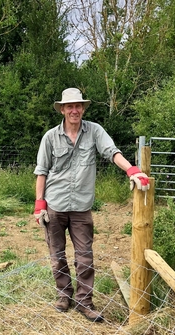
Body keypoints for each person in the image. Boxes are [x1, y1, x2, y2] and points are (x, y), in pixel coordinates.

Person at [33, 88, 149, 322]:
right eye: (70, 106)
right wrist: (39, 204)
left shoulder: (95, 131)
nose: (74, 110)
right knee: (57, 255)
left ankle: (85, 302)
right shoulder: (50, 137)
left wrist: (132, 170)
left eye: (78, 106)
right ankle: (64, 296)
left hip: (81, 207)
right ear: (63, 110)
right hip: (54, 205)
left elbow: (112, 152)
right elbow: (41, 172)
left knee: (85, 256)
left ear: (83, 108)